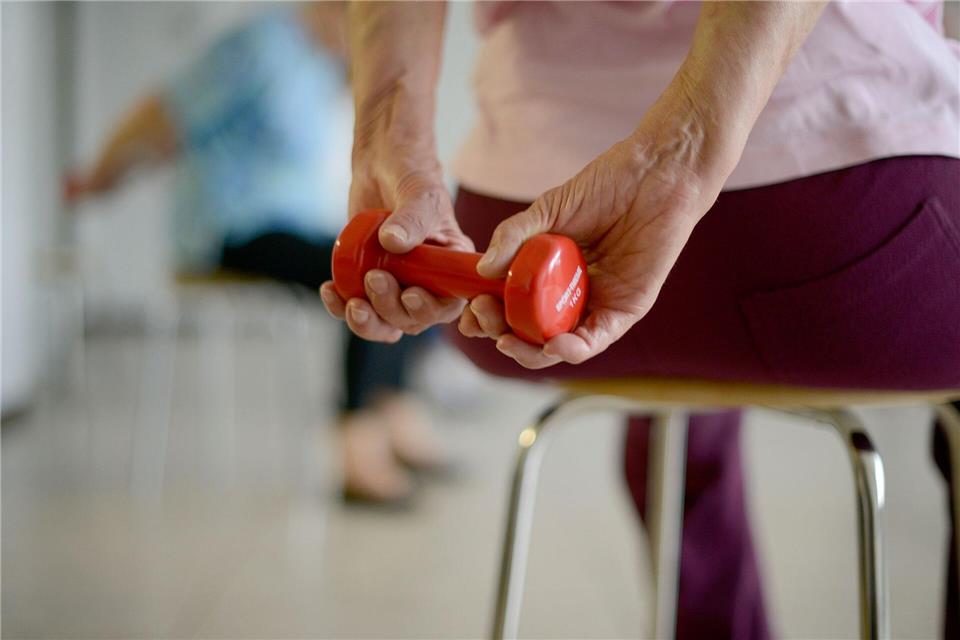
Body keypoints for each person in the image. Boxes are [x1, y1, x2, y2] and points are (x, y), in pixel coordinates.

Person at [320, 1, 960, 637]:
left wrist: (389, 142)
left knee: (681, 384)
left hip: (512, 223)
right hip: (843, 219)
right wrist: (676, 161)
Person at [66, 3, 447, 505]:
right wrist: (100, 176)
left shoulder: (323, 62)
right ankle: (357, 447)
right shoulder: (260, 45)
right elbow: (161, 112)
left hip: (291, 225)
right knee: (371, 275)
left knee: (415, 263)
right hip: (231, 228)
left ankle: (394, 411)